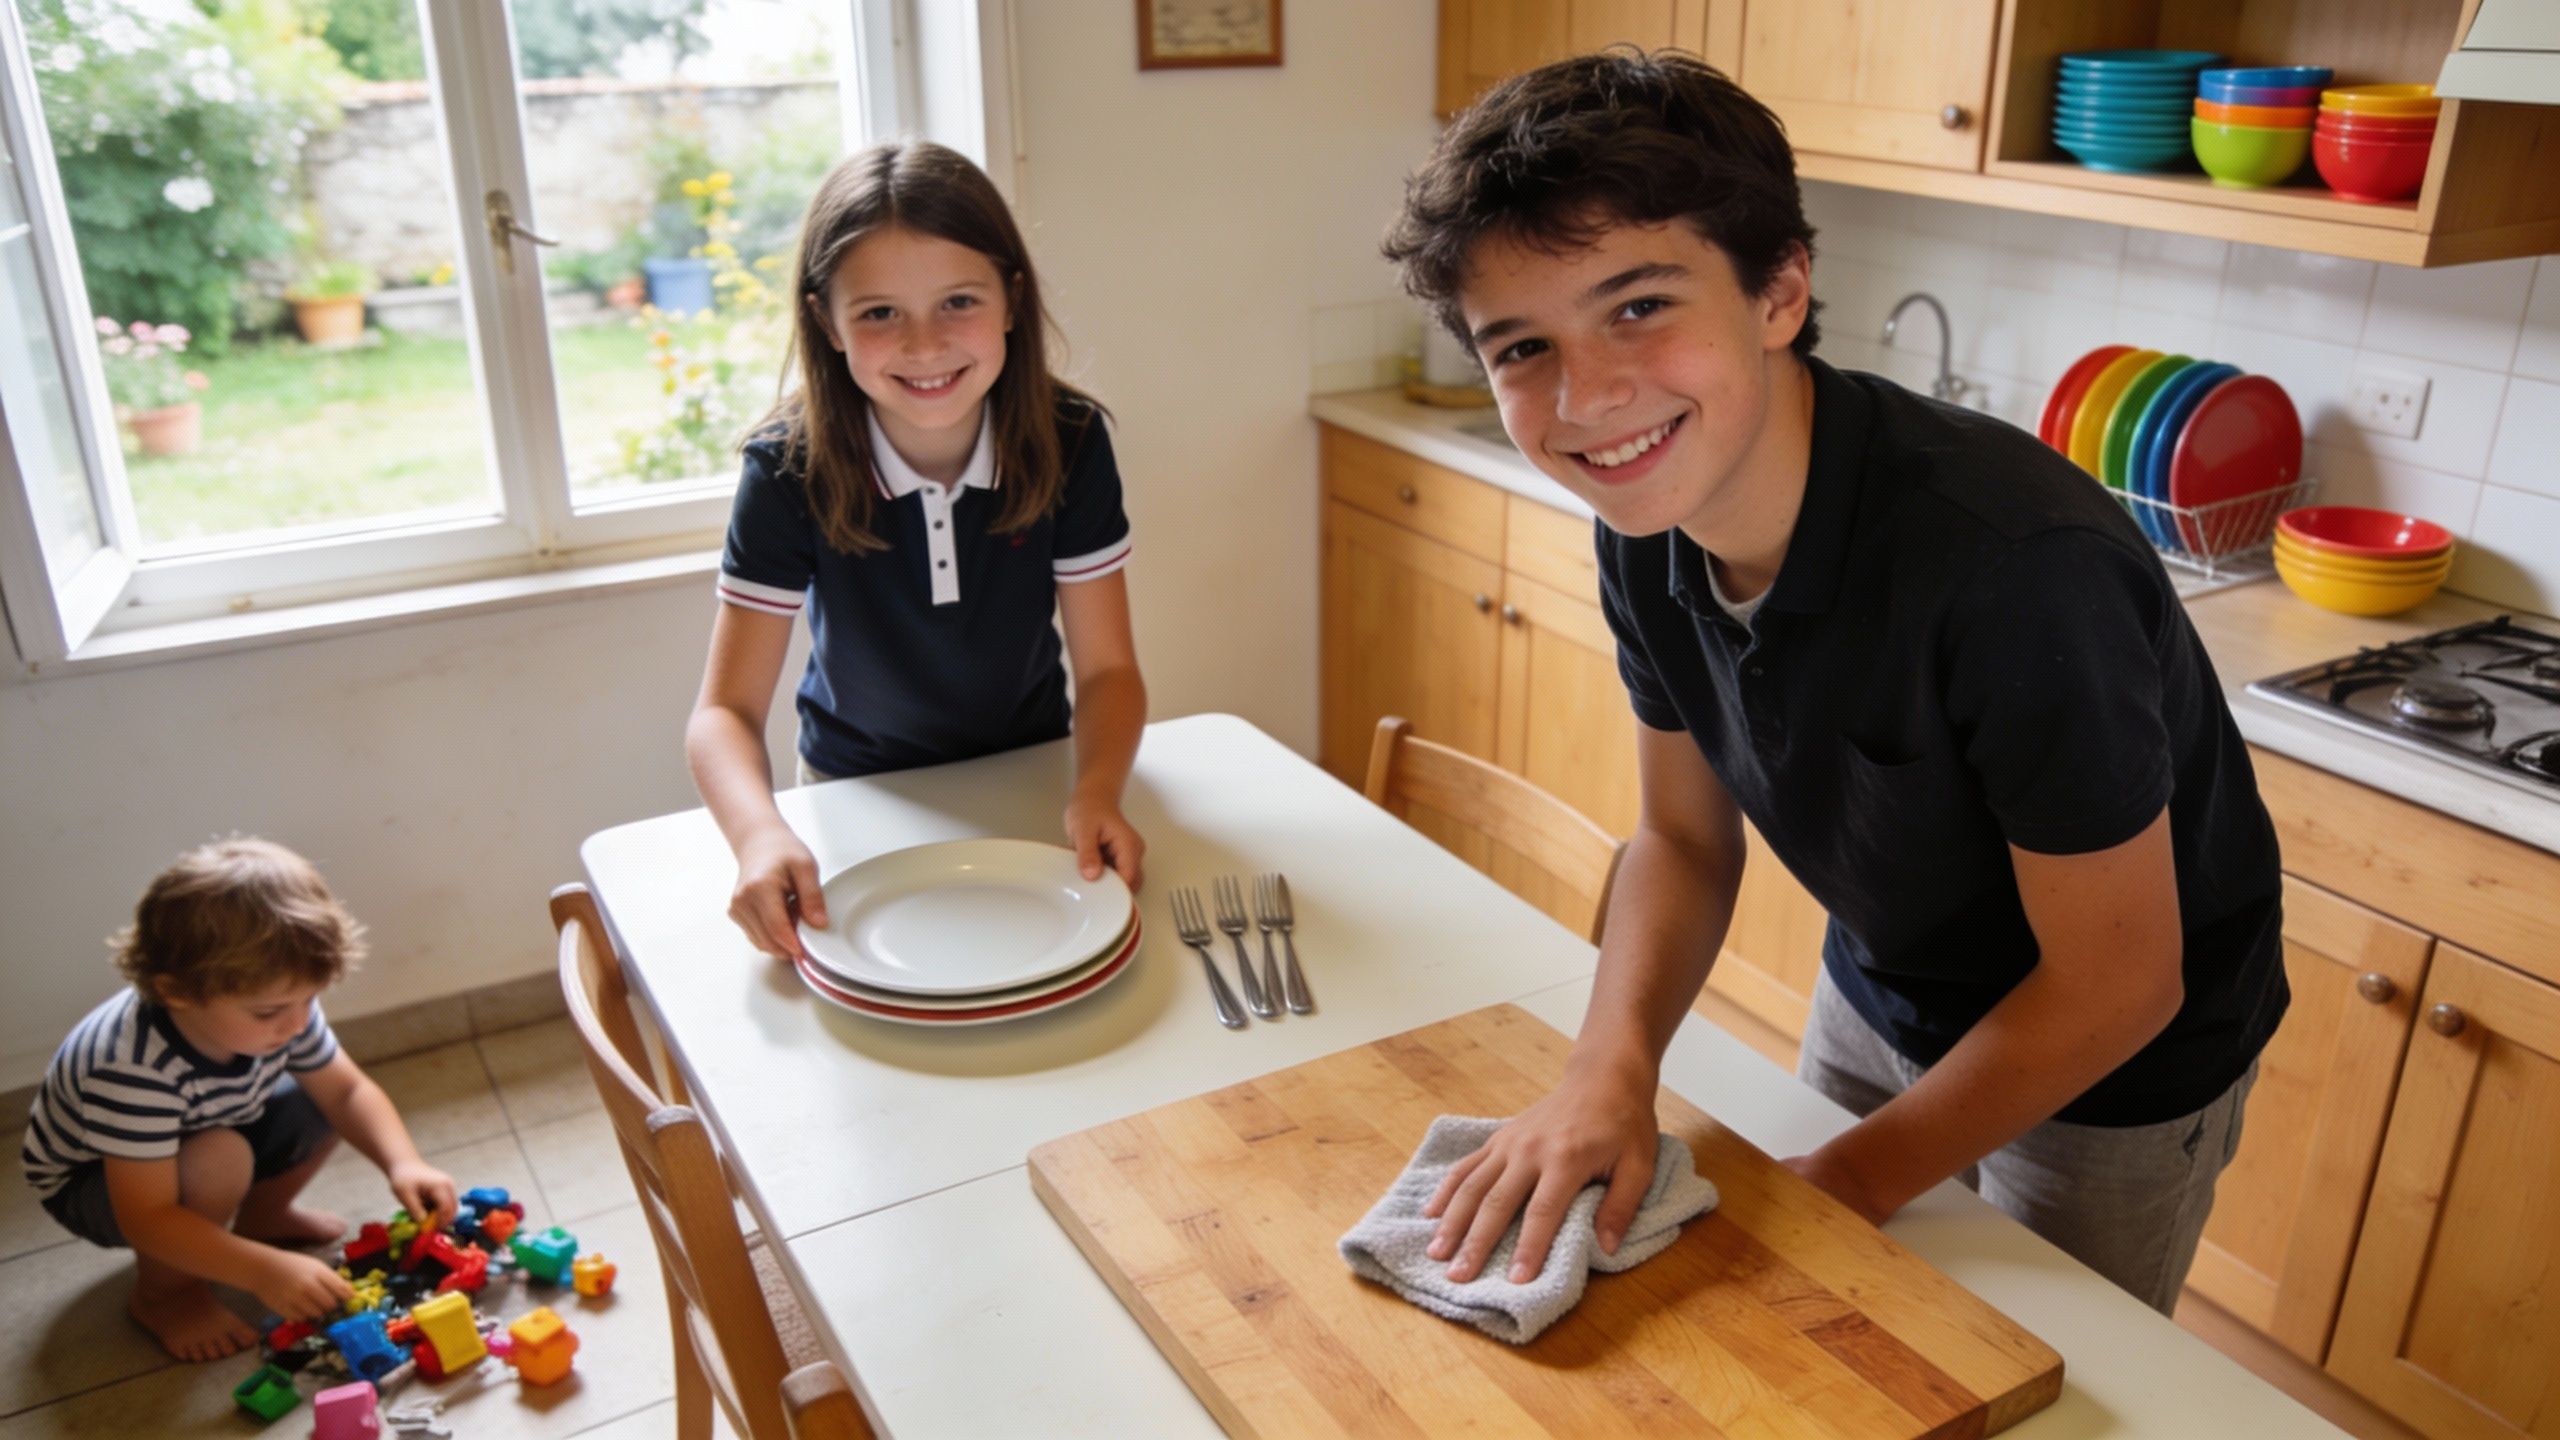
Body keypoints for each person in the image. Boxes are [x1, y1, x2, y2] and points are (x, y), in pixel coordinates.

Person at [1380, 51, 2287, 1315]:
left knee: (2037, 1372)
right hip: (1883, 983)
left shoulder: (2014, 571)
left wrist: (1847, 1181)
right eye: (1523, 345)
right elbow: (1682, 842)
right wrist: (1608, 1069)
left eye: (1639, 306)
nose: (1584, 398)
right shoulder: (1646, 523)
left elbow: (2120, 983)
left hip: (2112, 1069)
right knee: (1830, 1326)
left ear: (1779, 292)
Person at [688, 141, 1148, 962]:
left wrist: (1099, 788)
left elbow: (1110, 671)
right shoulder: (786, 467)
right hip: (852, 795)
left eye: (958, 301)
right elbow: (724, 713)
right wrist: (759, 837)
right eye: (879, 313)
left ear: (1011, 300)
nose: (926, 345)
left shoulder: (1071, 439)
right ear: (825, 321)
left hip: (1041, 780)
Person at [20, 838, 460, 1361]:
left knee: (320, 1098)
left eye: (309, 1000)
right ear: (176, 992)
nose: (297, 1022)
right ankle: (165, 1295)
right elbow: (147, 1217)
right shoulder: (129, 1066)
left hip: (204, 1123)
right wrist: (260, 1271)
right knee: (220, 1155)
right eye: (270, 1011)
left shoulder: (277, 1010)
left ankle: (263, 1214)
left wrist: (404, 1162)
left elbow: (348, 1091)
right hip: (97, 1186)